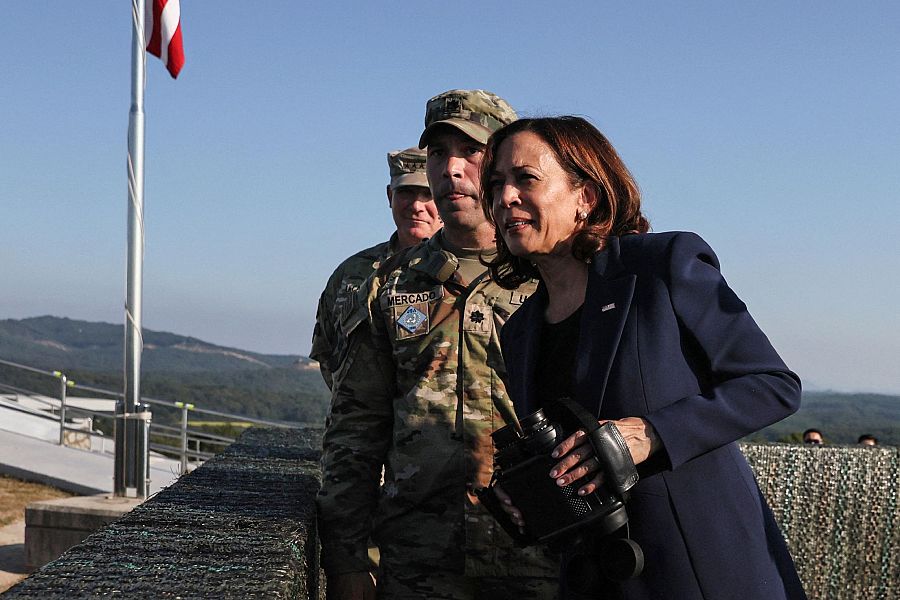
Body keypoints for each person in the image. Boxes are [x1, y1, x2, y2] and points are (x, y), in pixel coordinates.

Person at [481, 116, 807, 599]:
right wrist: (530, 498)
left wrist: (651, 433)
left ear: (585, 196)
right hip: (597, 576)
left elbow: (772, 384)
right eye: (495, 185)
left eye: (525, 179)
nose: (505, 198)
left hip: (701, 570)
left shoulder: (661, 267)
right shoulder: (521, 331)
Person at [316, 90, 558, 600]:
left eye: (470, 152)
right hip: (420, 561)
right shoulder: (393, 284)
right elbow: (357, 427)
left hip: (543, 553)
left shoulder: (554, 275)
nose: (450, 169)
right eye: (437, 154)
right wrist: (346, 557)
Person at [311, 146, 441, 388]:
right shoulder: (351, 274)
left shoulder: (466, 269)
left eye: (428, 194)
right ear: (390, 196)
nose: (416, 205)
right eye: (406, 193)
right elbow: (327, 353)